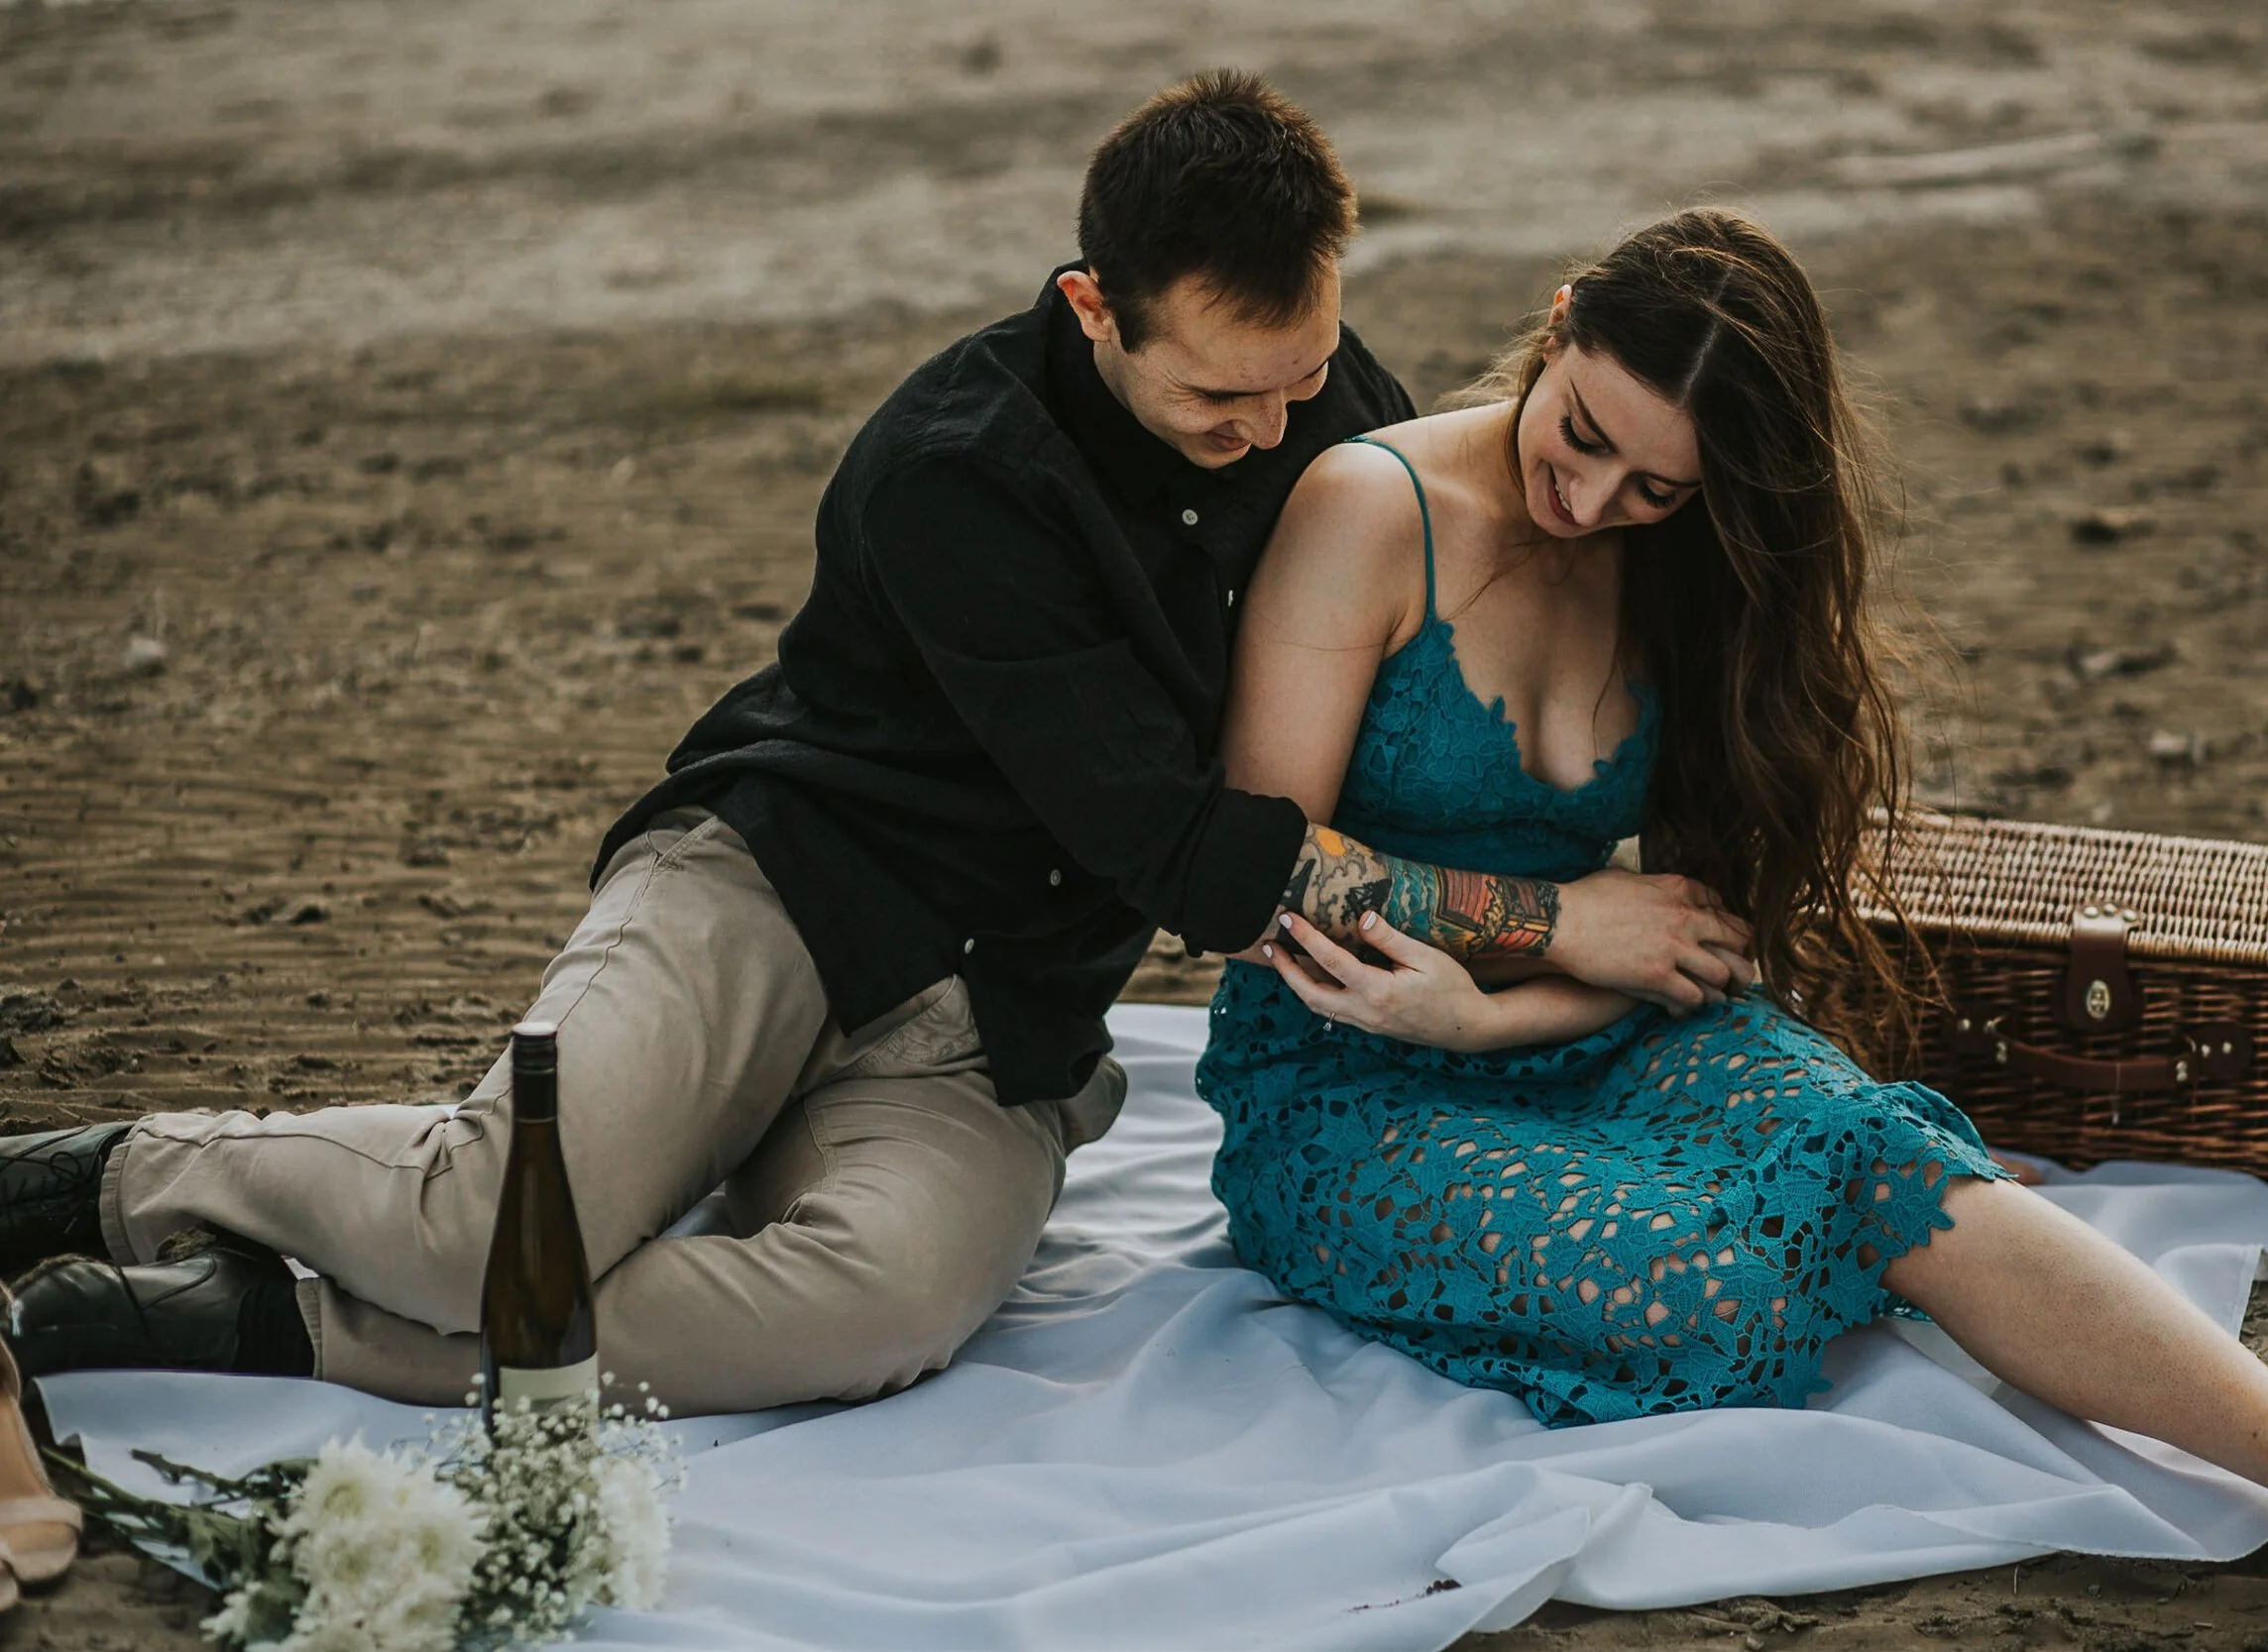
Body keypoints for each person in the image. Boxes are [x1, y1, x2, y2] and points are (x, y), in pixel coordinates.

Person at [0, 74, 1732, 1419]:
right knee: (497, 1219)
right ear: (1092, 307)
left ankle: (284, 1325)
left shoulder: (1320, 402)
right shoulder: (956, 474)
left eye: (1300, 378)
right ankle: (142, 1172)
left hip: (1000, 1019)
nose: (1274, 431)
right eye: (1222, 396)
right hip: (780, 894)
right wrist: (1567, 927)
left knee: (878, 1312)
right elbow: (1191, 855)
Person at [1192, 207, 2268, 1633]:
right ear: (1558, 325)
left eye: (1655, 487)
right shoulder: (1369, 506)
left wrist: (1516, 1003)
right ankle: (1902, 1275)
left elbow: (1690, 933)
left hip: (1598, 1018)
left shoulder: (1692, 564)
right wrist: (1558, 925)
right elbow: (1264, 875)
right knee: (1708, 1283)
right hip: (1347, 1064)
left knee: (1887, 1157)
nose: (1593, 496)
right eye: (1582, 430)